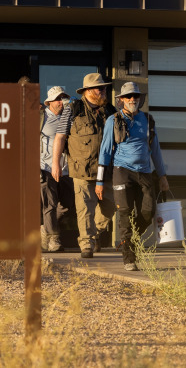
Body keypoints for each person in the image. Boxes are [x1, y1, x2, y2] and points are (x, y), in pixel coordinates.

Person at [96, 82, 169, 271]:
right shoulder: (113, 120)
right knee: (125, 214)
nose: (132, 100)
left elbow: (156, 149)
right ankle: (129, 256)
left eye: (135, 96)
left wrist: (162, 176)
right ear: (121, 100)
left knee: (148, 211)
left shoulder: (147, 119)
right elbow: (105, 151)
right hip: (122, 172)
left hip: (144, 172)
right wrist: (100, 180)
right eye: (128, 97)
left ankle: (130, 240)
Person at [52, 73, 117, 258]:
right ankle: (86, 245)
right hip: (82, 169)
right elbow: (60, 137)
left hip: (107, 170)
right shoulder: (73, 109)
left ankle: (94, 234)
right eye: (100, 88)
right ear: (88, 91)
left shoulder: (110, 110)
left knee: (111, 205)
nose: (103, 91)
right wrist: (55, 164)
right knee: (84, 209)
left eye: (104, 88)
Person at [40, 86, 74, 252]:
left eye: (63, 98)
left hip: (66, 168)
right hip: (45, 167)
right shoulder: (41, 117)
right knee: (50, 205)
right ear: (50, 102)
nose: (61, 102)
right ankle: (54, 239)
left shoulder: (69, 116)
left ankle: (46, 228)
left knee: (67, 205)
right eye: (58, 99)